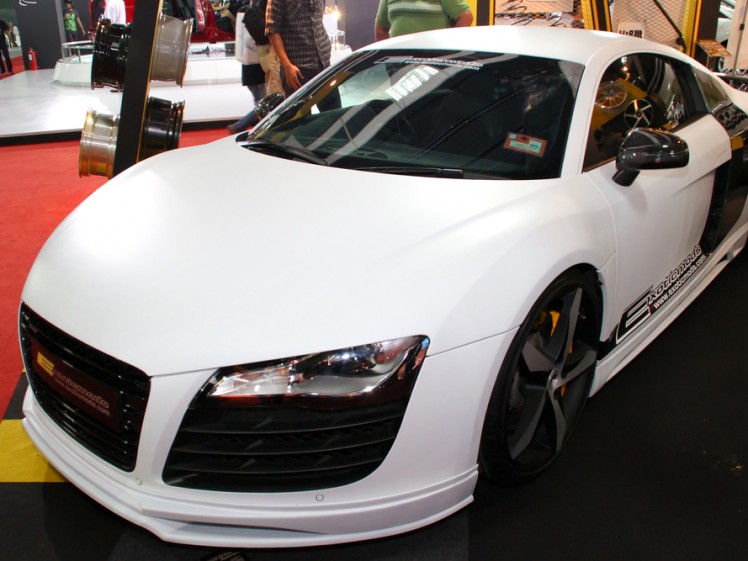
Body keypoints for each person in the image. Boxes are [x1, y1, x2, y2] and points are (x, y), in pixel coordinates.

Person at [266, 0, 331, 96]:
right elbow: (272, 30)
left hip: (323, 62)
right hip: (297, 68)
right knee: (300, 110)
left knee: (333, 108)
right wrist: (287, 66)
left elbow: (318, 16)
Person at [227, 4, 267, 134]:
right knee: (264, 107)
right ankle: (240, 126)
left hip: (250, 74)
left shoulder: (245, 14)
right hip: (257, 75)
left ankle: (253, 130)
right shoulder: (257, 23)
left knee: (261, 106)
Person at [374, 0, 473, 41]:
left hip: (432, 62)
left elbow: (465, 17)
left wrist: (449, 50)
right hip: (398, 63)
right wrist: (386, 57)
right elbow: (381, 28)